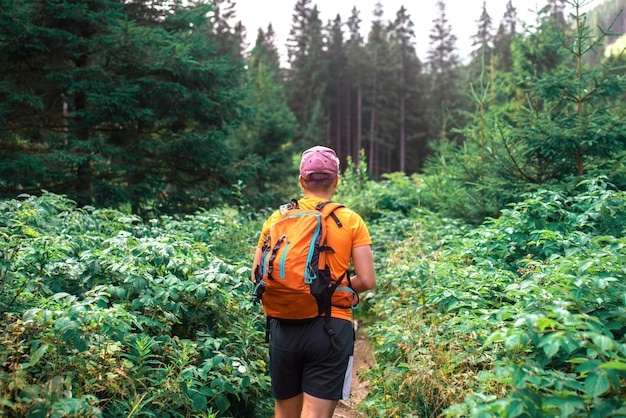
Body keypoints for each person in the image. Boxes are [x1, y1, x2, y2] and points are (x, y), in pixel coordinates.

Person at [251, 145, 376, 418]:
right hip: (331, 327)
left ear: (301, 181)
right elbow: (367, 280)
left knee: (284, 413)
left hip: (283, 326)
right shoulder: (351, 220)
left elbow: (257, 275)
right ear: (336, 181)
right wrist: (328, 290)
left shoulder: (277, 219)